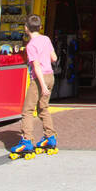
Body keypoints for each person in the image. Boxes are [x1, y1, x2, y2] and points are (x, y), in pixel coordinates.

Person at [10, 15, 58, 159]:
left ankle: (27, 140)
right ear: (40, 27)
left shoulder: (31, 45)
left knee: (27, 110)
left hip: (39, 79)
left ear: (26, 28)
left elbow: (36, 66)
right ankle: (50, 137)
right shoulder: (46, 39)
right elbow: (54, 58)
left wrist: (42, 85)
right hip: (50, 76)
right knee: (43, 108)